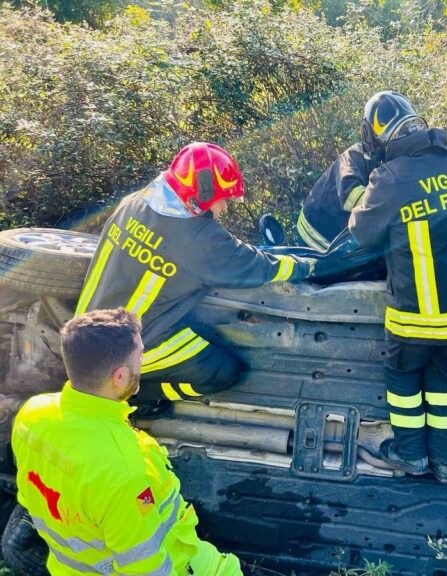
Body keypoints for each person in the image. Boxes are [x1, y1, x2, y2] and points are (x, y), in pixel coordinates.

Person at [75, 142, 314, 409]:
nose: (224, 208)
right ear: (203, 191)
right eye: (223, 199)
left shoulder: (133, 203)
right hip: (131, 348)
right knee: (225, 372)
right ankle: (138, 397)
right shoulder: (200, 238)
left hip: (85, 331)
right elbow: (262, 267)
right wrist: (309, 266)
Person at [11, 307, 242, 575]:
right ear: (119, 377)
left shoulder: (33, 412)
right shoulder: (124, 473)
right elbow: (146, 570)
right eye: (140, 356)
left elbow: (31, 495)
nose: (142, 362)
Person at [349, 92, 447, 484]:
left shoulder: (391, 178)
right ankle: (446, 463)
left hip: (419, 318)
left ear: (378, 136)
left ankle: (411, 455)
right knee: (444, 379)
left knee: (402, 376)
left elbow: (361, 234)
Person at [295, 142, 380, 250]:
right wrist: (389, 204)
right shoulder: (354, 155)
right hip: (316, 230)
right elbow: (351, 195)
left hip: (342, 233)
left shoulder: (388, 158)